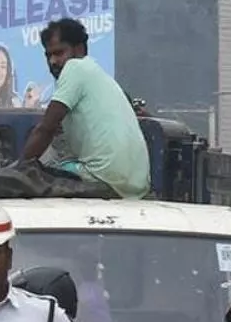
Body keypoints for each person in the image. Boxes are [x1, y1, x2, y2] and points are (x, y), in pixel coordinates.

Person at [21, 18, 150, 200]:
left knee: (34, 174)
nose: (53, 61)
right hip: (135, 187)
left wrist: (18, 170)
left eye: (59, 53)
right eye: (48, 55)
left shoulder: (75, 68)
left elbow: (45, 129)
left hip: (102, 179)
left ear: (79, 49)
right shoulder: (98, 75)